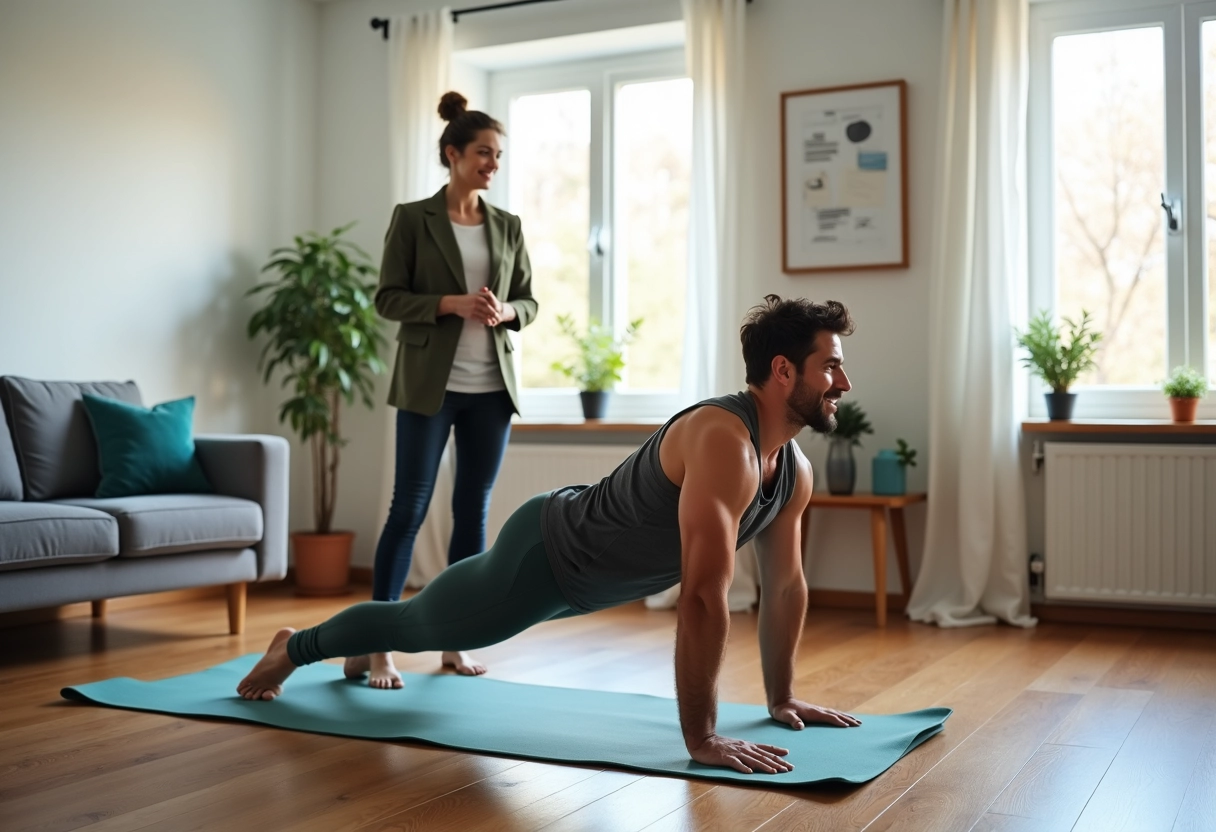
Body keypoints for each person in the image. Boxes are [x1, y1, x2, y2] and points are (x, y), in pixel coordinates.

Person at [239, 295, 863, 775]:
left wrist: (783, 697)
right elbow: (702, 596)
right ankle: (293, 648)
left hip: (588, 580)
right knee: (418, 627)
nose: (844, 383)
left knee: (414, 623)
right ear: (783, 370)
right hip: (543, 556)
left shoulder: (793, 471)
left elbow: (784, 587)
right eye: (830, 366)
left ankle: (352, 643)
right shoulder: (724, 441)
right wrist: (701, 738)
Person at [349, 91, 537, 689]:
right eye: (484, 153)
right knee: (407, 509)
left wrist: (506, 310)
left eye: (499, 155)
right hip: (430, 387)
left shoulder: (507, 226)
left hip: (490, 389)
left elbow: (530, 302)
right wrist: (449, 304)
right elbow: (386, 298)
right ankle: (378, 645)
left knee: (471, 513)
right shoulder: (412, 218)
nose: (494, 164)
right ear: (453, 154)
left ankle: (456, 640)